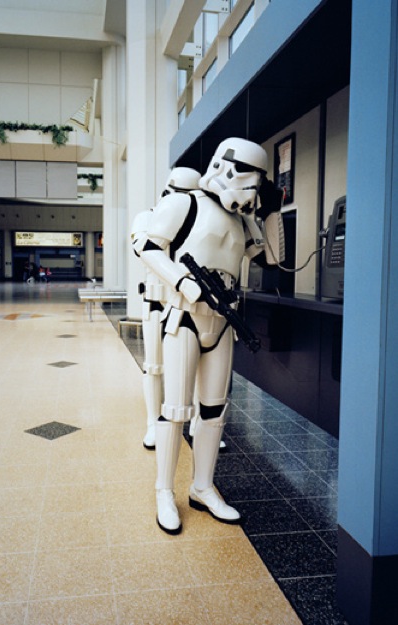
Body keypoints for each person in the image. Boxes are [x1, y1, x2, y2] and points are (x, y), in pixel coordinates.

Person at [140, 137, 283, 534]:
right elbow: (149, 248)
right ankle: (164, 490)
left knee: (214, 411)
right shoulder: (184, 203)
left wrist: (272, 211)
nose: (252, 188)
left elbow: (274, 259)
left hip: (222, 323)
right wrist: (183, 282)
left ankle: (202, 487)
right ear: (227, 167)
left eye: (259, 181)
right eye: (252, 178)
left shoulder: (242, 221)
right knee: (176, 410)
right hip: (184, 318)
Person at [131, 167, 201, 449]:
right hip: (157, 301)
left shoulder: (199, 217)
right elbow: (142, 248)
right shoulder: (147, 217)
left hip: (186, 303)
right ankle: (152, 424)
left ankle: (197, 424)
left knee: (196, 367)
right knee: (154, 366)